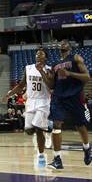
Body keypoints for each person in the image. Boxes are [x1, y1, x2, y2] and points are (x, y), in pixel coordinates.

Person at [39, 40, 91, 169]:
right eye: (60, 43)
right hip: (59, 98)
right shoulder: (55, 64)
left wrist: (69, 73)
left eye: (65, 43)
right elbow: (51, 85)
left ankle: (87, 148)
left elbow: (87, 77)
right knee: (56, 124)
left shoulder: (76, 58)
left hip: (74, 97)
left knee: (80, 126)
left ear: (69, 47)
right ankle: (57, 159)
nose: (62, 44)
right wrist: (41, 72)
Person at [5, 49, 52, 167]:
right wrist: (9, 94)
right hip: (31, 101)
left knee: (38, 128)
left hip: (43, 101)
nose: (38, 56)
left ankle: (41, 156)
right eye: (37, 54)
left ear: (45, 58)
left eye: (41, 55)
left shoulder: (50, 69)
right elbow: (21, 85)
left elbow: (51, 85)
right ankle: (48, 127)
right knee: (29, 130)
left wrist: (42, 72)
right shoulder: (28, 68)